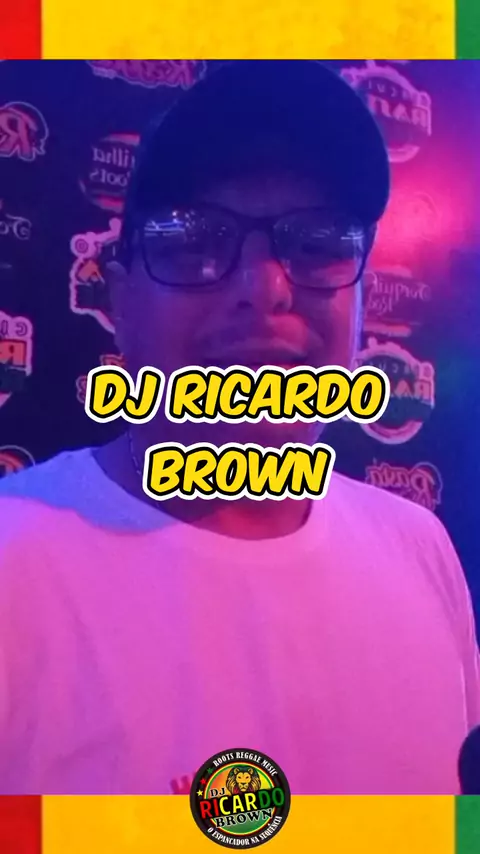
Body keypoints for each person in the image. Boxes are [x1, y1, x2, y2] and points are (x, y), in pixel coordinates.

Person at [0, 60, 478, 796]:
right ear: (121, 302)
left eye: (316, 242)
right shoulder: (16, 563)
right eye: (195, 240)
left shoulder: (420, 550)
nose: (265, 288)